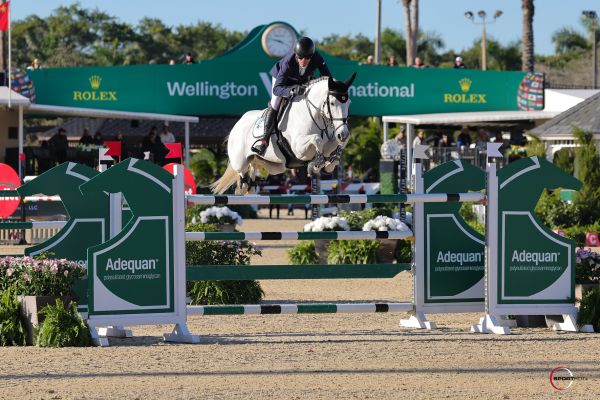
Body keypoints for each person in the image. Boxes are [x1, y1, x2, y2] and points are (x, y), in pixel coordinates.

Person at [251, 36, 332, 156]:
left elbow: (328, 78)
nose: (304, 61)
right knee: (275, 103)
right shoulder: (288, 63)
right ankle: (264, 140)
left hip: (301, 80)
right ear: (296, 54)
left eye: (308, 58)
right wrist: (291, 91)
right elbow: (277, 89)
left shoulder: (317, 58)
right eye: (300, 58)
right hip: (282, 81)